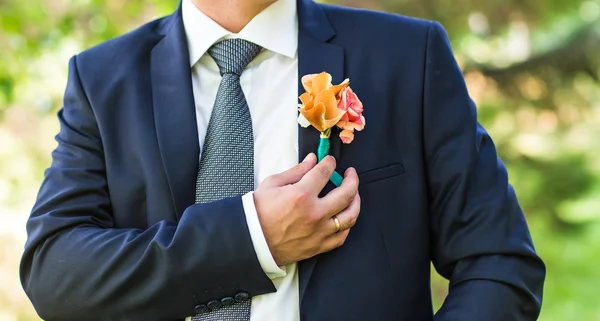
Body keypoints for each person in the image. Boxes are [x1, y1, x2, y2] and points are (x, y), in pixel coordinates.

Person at [20, 0, 545, 320]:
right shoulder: (101, 79)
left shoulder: (408, 55)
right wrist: (253, 239)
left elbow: (499, 261)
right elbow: (55, 272)